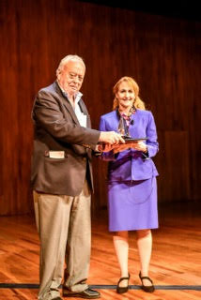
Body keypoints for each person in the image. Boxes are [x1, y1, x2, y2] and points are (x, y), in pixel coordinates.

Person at [31, 54, 124, 300]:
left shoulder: (80, 102)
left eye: (80, 77)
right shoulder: (46, 96)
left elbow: (82, 138)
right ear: (59, 72)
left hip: (81, 178)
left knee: (80, 238)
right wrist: (99, 137)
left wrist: (99, 147)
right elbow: (62, 128)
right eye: (72, 75)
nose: (76, 81)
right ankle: (49, 291)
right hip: (54, 179)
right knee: (54, 241)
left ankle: (76, 283)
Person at [99, 76, 159, 294]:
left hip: (144, 178)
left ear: (136, 95)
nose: (126, 96)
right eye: (122, 92)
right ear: (116, 94)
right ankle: (124, 274)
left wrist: (144, 148)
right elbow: (101, 154)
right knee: (120, 228)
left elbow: (155, 146)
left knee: (144, 228)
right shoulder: (106, 119)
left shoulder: (146, 116)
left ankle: (145, 273)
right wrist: (112, 151)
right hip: (118, 179)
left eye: (130, 92)